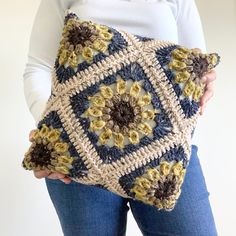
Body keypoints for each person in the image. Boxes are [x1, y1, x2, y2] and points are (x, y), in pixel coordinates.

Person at [23, 0, 218, 235]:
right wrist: (54, 128)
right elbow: (38, 67)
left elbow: (196, 65)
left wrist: (205, 79)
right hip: (78, 158)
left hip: (165, 159)